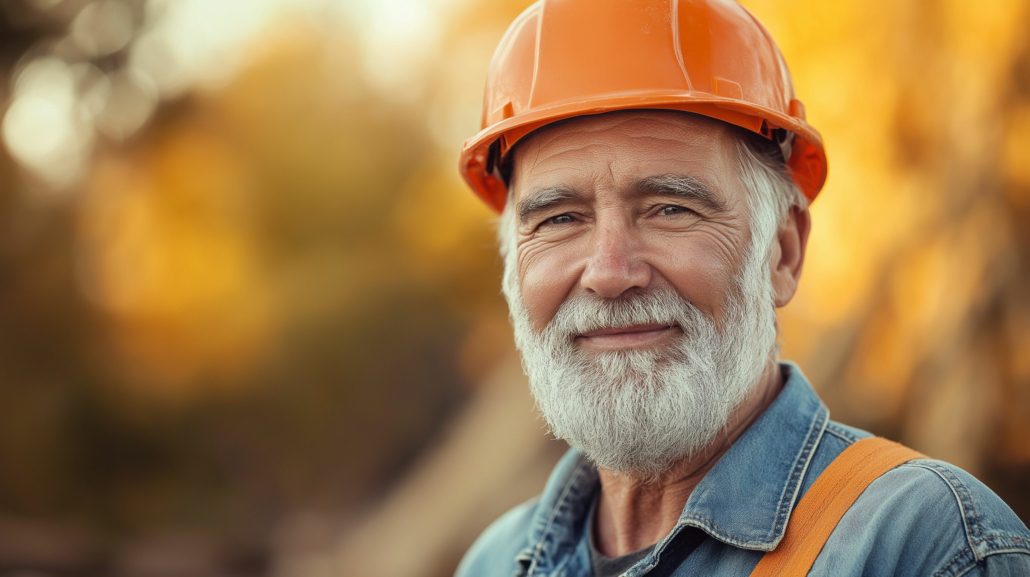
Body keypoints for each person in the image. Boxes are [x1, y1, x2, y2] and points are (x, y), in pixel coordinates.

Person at [454, 1, 1030, 576]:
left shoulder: (927, 548)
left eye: (669, 208)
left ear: (783, 252)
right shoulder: (495, 562)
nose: (609, 272)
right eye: (559, 219)